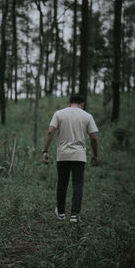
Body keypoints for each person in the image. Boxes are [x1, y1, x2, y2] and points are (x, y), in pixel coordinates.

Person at [42, 95, 98, 223]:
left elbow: (50, 132)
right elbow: (94, 138)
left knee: (62, 183)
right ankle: (74, 215)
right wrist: (95, 155)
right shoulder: (87, 116)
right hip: (79, 155)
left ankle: (61, 213)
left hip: (62, 155)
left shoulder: (59, 114)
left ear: (69, 103)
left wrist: (45, 150)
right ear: (82, 104)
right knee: (77, 184)